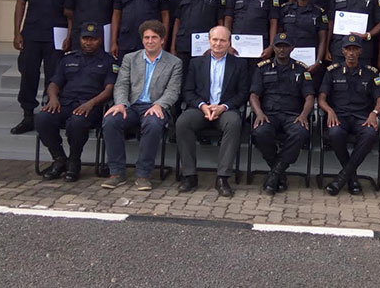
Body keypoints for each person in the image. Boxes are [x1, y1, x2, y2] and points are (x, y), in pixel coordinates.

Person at [101, 20, 183, 190]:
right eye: (146, 37)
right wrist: (121, 104)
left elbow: (173, 91)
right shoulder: (130, 59)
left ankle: (143, 174)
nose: (150, 41)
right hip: (132, 106)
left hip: (156, 106)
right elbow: (122, 84)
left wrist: (159, 105)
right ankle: (116, 173)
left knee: (153, 124)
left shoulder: (174, 63)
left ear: (162, 40)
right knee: (111, 120)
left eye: (154, 37)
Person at [35, 23, 118, 182]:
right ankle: (59, 159)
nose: (88, 42)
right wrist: (53, 98)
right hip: (64, 104)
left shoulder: (108, 61)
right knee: (42, 118)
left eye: (92, 39)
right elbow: (54, 83)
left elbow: (109, 89)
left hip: (90, 107)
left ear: (100, 40)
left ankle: (74, 161)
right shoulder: (68, 59)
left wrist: (91, 103)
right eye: (85, 38)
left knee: (77, 122)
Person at [176, 26, 249, 197]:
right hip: (201, 109)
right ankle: (189, 175)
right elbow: (187, 91)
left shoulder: (239, 64)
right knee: (183, 122)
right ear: (209, 41)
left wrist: (223, 107)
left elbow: (242, 93)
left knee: (234, 123)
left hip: (225, 110)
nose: (218, 43)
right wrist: (202, 105)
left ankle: (222, 178)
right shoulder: (196, 63)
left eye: (223, 40)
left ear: (229, 43)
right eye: (215, 40)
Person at [11, 0, 70, 135]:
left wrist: (69, 36)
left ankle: (49, 113)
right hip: (32, 33)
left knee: (54, 75)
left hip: (56, 35)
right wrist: (16, 32)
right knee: (29, 74)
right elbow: (20, 4)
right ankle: (28, 115)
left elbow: (70, 11)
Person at [318, 35, 380, 196]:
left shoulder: (370, 73)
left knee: (370, 134)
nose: (351, 53)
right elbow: (321, 98)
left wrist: (374, 113)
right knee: (334, 133)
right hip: (339, 116)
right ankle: (351, 178)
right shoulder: (332, 71)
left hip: (362, 117)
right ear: (342, 51)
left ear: (360, 51)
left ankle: (343, 177)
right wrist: (330, 110)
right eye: (348, 49)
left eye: (355, 49)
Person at [249, 33, 315, 195]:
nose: (281, 49)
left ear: (292, 48)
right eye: (278, 46)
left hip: (292, 115)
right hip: (268, 114)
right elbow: (253, 95)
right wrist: (258, 113)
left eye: (285, 46)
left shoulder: (301, 69)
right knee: (260, 132)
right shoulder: (262, 68)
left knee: (300, 132)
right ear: (273, 47)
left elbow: (309, 96)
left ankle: (275, 174)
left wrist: (304, 115)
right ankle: (279, 173)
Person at [170, 0, 226, 74]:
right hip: (184, 44)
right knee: (182, 78)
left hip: (206, 45)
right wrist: (173, 46)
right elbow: (177, 21)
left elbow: (220, 22)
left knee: (203, 79)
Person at [224, 0, 280, 70]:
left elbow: (273, 22)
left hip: (260, 48)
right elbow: (228, 19)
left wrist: (271, 46)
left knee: (257, 78)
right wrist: (227, 44)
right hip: (237, 47)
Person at [278, 0, 327, 87]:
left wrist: (318, 62)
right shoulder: (285, 10)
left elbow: (322, 40)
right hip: (288, 61)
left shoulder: (319, 12)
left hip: (311, 63)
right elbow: (279, 37)